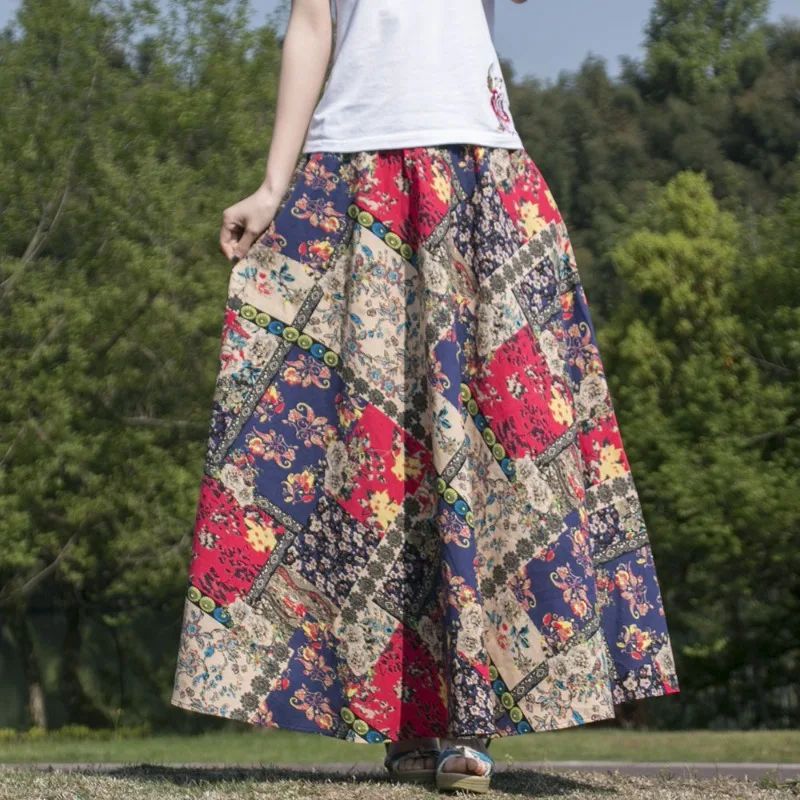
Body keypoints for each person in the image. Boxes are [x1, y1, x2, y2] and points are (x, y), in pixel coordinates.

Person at [171, 0, 680, 794]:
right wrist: (273, 185)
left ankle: (471, 721)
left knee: (500, 444)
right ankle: (406, 718)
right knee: (377, 456)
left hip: (476, 163)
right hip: (351, 169)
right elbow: (312, 23)